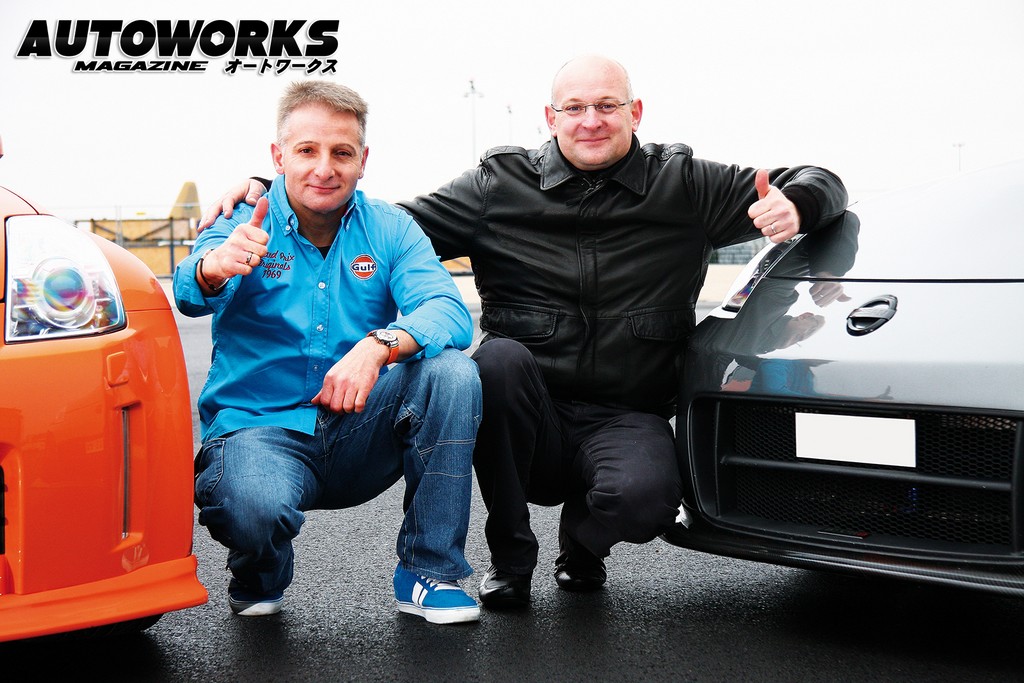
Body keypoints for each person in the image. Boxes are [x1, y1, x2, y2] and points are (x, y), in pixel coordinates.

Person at [200, 55, 849, 609]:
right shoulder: (497, 187)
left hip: (626, 412)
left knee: (647, 500)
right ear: (550, 117)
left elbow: (818, 180)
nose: (590, 120)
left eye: (607, 106)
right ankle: (509, 561)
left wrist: (799, 203)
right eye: (574, 107)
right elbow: (379, 224)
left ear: (635, 112)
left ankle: (582, 546)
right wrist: (273, 191)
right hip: (524, 410)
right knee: (489, 363)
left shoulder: (688, 185)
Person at [175, 81, 483, 625]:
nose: (324, 168)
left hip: (356, 423)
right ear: (278, 157)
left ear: (362, 160)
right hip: (258, 429)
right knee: (255, 508)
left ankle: (429, 572)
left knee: (452, 372)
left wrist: (378, 345)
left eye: (341, 153)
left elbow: (448, 310)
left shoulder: (390, 228)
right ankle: (260, 566)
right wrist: (214, 267)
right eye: (307, 150)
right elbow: (187, 292)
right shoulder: (241, 220)